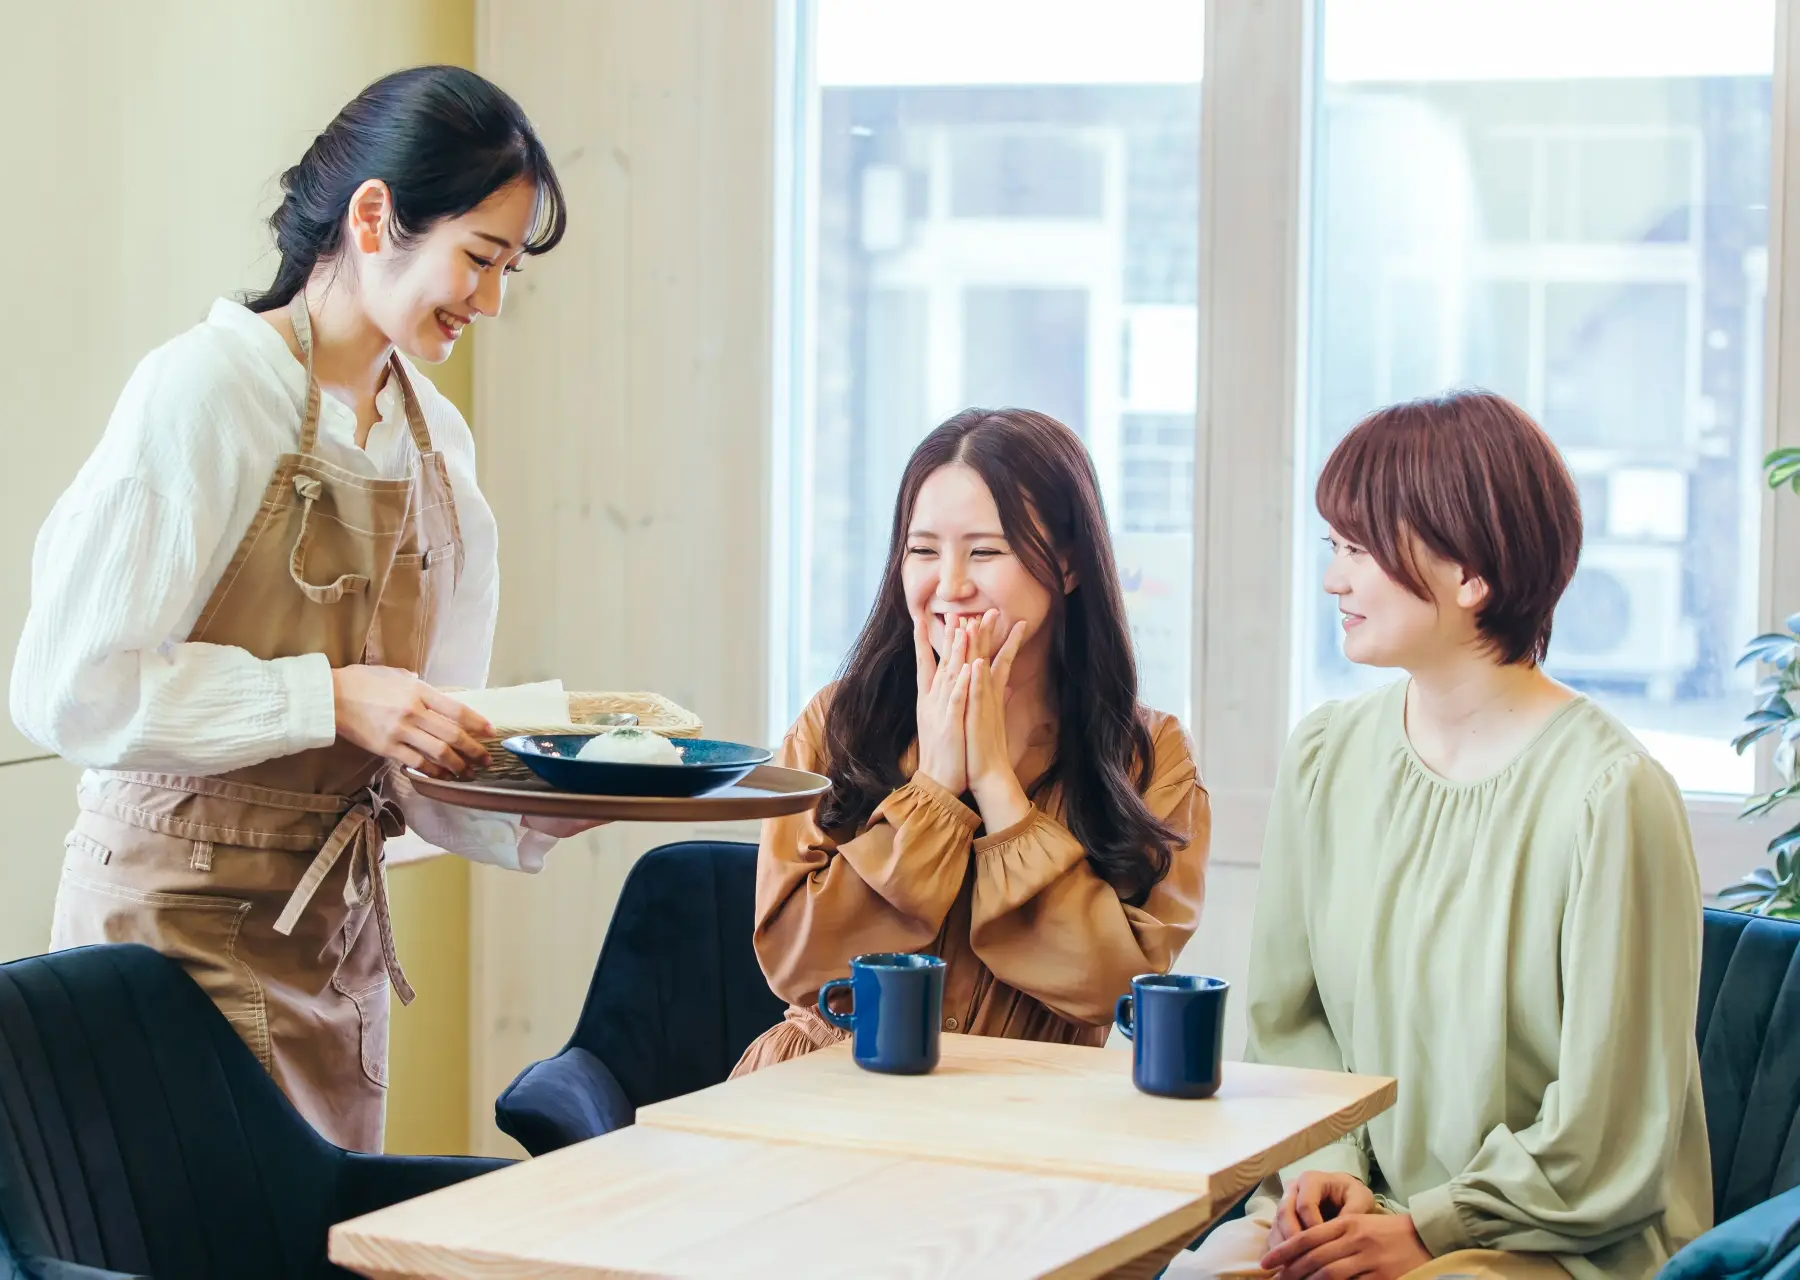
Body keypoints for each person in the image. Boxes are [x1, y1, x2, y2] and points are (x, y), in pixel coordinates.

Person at [10, 65, 593, 1152]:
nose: (492, 300)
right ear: (375, 216)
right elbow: (69, 687)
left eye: (509, 269)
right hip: (160, 943)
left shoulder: (442, 453)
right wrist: (328, 695)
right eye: (480, 257)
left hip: (330, 949)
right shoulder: (201, 392)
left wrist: (549, 795)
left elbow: (415, 760)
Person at [1166, 391, 1710, 1279]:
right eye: (1332, 549)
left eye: (1360, 551)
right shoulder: (1326, 757)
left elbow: (1609, 1131)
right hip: (1346, 1206)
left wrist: (1428, 1227)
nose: (1335, 580)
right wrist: (1327, 1177)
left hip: (1545, 1237)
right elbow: (1291, 1023)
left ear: (1472, 574)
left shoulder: (1612, 796)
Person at [733, 407, 1210, 1074]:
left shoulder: (1148, 755)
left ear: (1068, 566)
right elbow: (797, 965)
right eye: (923, 550)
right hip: (821, 1097)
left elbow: (1117, 986)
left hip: (1025, 1119)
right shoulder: (835, 723)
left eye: (985, 551)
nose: (950, 586)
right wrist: (932, 789)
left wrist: (994, 783)